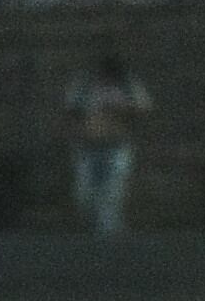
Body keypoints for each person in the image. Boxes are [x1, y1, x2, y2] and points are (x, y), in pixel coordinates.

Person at [63, 53, 150, 236]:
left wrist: (121, 105)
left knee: (112, 192)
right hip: (88, 145)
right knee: (84, 192)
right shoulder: (84, 87)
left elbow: (143, 107)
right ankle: (90, 228)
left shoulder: (127, 86)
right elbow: (71, 111)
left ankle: (108, 238)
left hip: (116, 145)